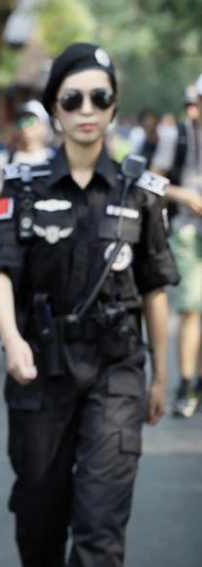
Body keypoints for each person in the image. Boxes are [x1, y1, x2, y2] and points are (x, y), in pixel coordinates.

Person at [0, 43, 178, 566]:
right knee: (39, 519)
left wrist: (159, 376)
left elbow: (155, 286)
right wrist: (13, 339)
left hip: (117, 371)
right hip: (40, 370)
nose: (87, 109)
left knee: (100, 524)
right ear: (55, 108)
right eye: (73, 99)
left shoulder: (141, 192)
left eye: (100, 97)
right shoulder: (22, 186)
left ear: (113, 107)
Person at [150, 77, 202, 418]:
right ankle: (186, 383)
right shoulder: (178, 135)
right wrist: (183, 194)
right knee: (191, 308)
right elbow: (152, 179)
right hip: (187, 230)